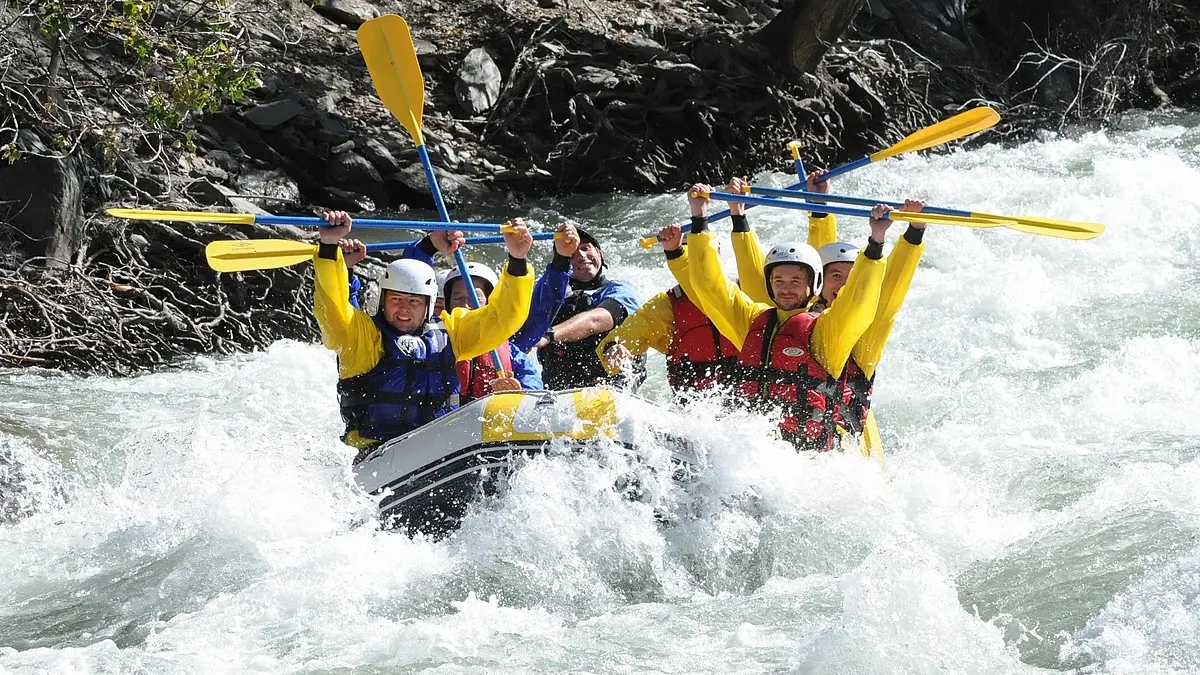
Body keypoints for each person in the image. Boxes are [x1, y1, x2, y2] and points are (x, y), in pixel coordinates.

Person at [685, 185, 892, 451]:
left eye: (796, 280)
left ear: (813, 284)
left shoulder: (825, 330)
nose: (786, 287)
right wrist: (699, 218)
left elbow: (859, 304)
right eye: (779, 280)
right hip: (754, 451)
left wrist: (876, 242)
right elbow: (708, 286)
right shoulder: (753, 320)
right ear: (769, 284)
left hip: (810, 459)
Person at [313, 211, 535, 450]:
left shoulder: (452, 332)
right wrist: (328, 247)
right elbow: (332, 306)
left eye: (414, 302)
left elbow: (503, 317)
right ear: (383, 300)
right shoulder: (361, 337)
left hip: (438, 445)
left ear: (429, 304)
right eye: (396, 299)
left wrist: (517, 260)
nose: (404, 309)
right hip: (376, 450)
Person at [597, 223, 738, 395]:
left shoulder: (742, 293)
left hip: (751, 404)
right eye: (690, 256)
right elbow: (628, 334)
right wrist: (614, 347)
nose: (698, 264)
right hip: (695, 410)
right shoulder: (666, 306)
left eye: (705, 255)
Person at [536, 226, 644, 391]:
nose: (581, 256)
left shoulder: (621, 290)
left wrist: (550, 335)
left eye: (586, 248)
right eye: (573, 254)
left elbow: (595, 320)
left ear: (601, 254)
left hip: (610, 387)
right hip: (562, 391)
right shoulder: (554, 297)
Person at [440, 261, 543, 400]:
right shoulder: (438, 342)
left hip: (488, 414)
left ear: (490, 303)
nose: (465, 305)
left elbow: (532, 381)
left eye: (475, 298)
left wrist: (520, 392)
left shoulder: (510, 350)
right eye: (457, 298)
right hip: (449, 415)